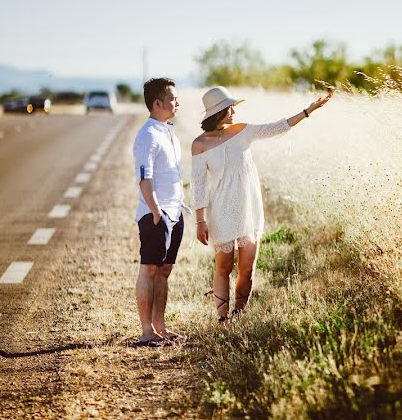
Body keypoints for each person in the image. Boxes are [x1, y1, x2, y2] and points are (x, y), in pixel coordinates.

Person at [191, 86, 332, 322]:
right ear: (219, 112)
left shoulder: (244, 131)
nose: (234, 111)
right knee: (224, 267)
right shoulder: (199, 144)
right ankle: (223, 319)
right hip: (221, 210)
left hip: (248, 208)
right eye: (230, 108)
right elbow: (198, 184)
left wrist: (308, 111)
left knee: (247, 267)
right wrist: (199, 220)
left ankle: (239, 315)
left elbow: (277, 127)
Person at [132, 77, 188, 346]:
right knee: (149, 271)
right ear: (157, 103)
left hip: (175, 212)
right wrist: (156, 213)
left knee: (164, 271)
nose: (177, 102)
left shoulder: (168, 132)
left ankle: (160, 328)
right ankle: (146, 332)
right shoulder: (148, 135)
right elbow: (145, 179)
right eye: (173, 98)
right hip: (156, 214)